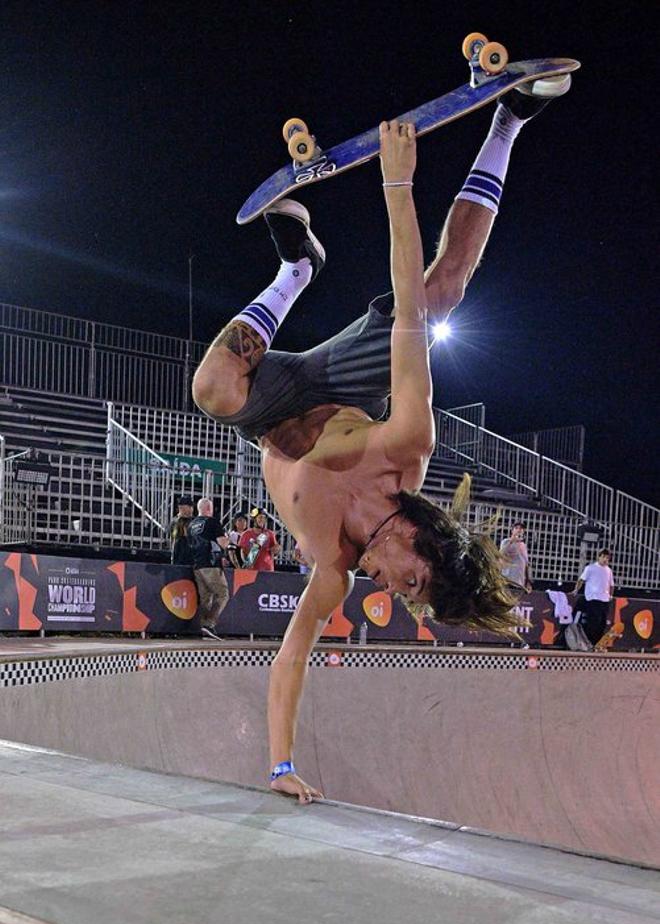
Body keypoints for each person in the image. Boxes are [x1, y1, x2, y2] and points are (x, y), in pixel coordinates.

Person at [193, 77, 571, 802]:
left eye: (409, 600)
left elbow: (292, 657)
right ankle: (509, 124)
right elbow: (403, 313)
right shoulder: (407, 446)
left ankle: (295, 269)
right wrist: (398, 186)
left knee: (211, 389)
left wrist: (280, 767)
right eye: (415, 584)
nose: (394, 591)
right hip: (342, 384)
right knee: (440, 293)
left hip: (270, 411)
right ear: (426, 545)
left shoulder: (333, 567)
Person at [187, 497, 230, 639]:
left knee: (206, 597)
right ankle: (209, 624)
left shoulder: (191, 525)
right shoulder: (212, 522)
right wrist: (228, 538)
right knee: (223, 594)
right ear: (208, 509)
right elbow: (223, 543)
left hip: (197, 565)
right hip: (211, 565)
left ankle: (205, 630)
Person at [572, 549, 614, 646]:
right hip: (593, 599)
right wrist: (576, 590)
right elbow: (581, 580)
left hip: (605, 599)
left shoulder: (609, 570)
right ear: (599, 557)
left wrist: (610, 595)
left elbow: (611, 585)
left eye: (607, 558)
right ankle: (589, 643)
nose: (605, 560)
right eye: (603, 557)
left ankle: (597, 644)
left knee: (602, 624)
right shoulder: (590, 568)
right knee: (593, 623)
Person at [499, 521, 532, 592]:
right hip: (507, 580)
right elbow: (500, 554)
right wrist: (511, 541)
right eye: (516, 528)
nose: (519, 530)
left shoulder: (523, 545)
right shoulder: (506, 541)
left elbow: (526, 564)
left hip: (519, 582)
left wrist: (528, 581)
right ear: (512, 530)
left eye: (521, 529)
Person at [169, 495, 194, 566]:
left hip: (192, 557)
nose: (181, 510)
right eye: (180, 507)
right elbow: (174, 535)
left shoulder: (195, 521)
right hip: (178, 554)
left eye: (183, 507)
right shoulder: (176, 521)